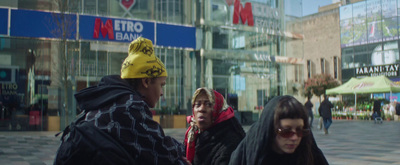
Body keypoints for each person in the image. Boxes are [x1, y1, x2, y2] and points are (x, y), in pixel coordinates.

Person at [73, 37, 188, 164]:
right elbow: (162, 150)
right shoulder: (129, 105)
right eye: (161, 85)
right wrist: (186, 152)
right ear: (146, 81)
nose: (161, 93)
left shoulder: (109, 97)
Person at [229, 95, 328, 165]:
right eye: (286, 132)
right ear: (270, 130)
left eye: (300, 131)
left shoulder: (309, 154)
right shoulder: (248, 154)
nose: (295, 138)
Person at [184, 87, 245, 165]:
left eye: (208, 104)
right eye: (198, 104)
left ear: (218, 109)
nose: (202, 109)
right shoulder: (193, 136)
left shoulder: (230, 142)